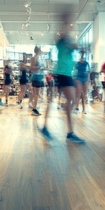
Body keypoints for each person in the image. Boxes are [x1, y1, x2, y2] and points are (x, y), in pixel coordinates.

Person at [41, 12, 85, 143]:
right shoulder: (61, 40)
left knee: (67, 100)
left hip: (65, 73)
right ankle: (68, 132)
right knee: (67, 100)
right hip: (62, 73)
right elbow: (72, 44)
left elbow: (74, 46)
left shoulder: (66, 40)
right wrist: (67, 23)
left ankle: (64, 130)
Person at [30, 46, 44, 116]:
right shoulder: (34, 58)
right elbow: (31, 68)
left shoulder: (39, 58)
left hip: (39, 77)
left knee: (36, 95)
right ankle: (34, 109)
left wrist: (42, 68)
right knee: (36, 95)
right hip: (36, 77)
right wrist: (40, 67)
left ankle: (34, 108)